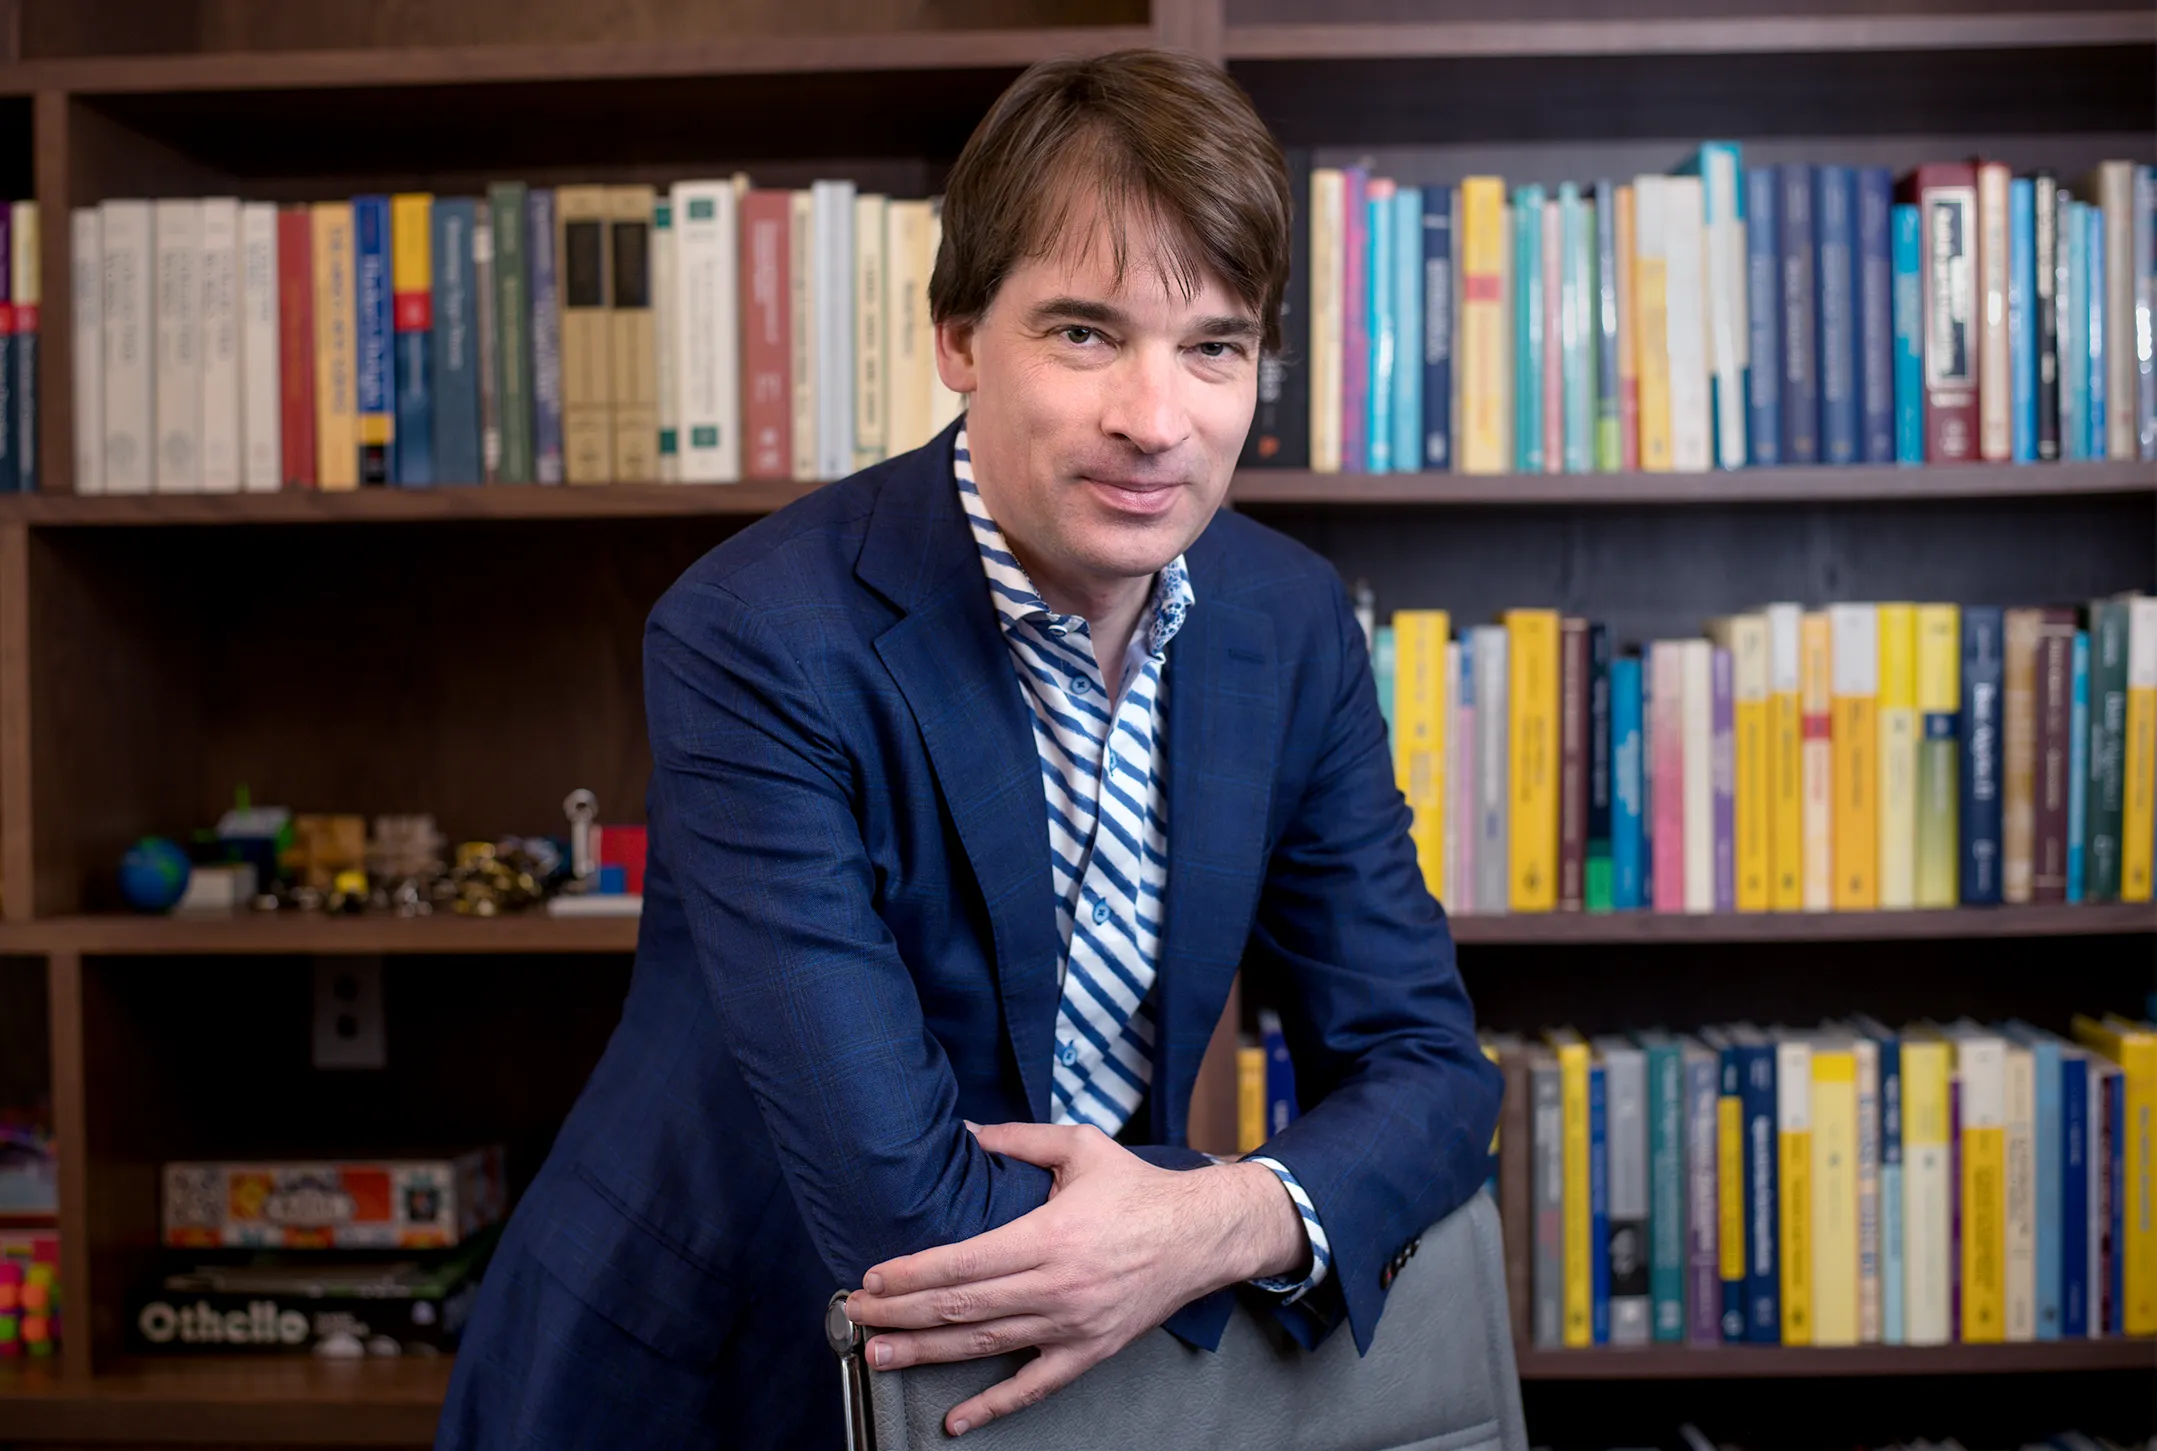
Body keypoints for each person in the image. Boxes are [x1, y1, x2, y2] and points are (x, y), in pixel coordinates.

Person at [437, 48, 1500, 1451]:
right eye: (1083, 334)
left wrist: (1208, 1220)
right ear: (957, 337)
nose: (1155, 418)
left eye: (1214, 345)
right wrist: (1237, 1218)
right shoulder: (757, 636)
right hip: (715, 1377)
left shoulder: (1288, 622)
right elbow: (902, 1210)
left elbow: (1432, 1066)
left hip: (1077, 1386)